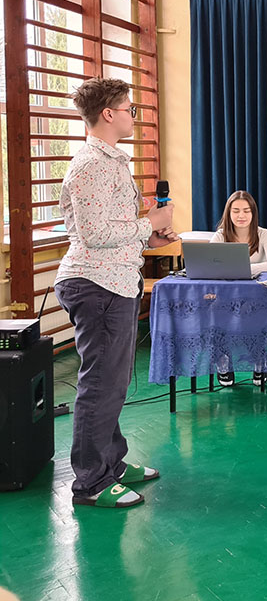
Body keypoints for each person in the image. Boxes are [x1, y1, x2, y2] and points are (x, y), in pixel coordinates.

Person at [54, 78, 177, 509]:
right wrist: (150, 222)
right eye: (130, 109)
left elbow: (112, 230)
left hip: (115, 281)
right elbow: (94, 234)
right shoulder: (91, 164)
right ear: (108, 113)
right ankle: (90, 483)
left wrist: (149, 238)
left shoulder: (112, 162)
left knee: (114, 382)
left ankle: (112, 463)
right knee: (101, 385)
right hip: (96, 285)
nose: (134, 116)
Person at [210, 190, 267, 386]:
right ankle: (224, 363)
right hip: (226, 296)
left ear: (253, 213)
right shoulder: (220, 236)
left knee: (252, 312)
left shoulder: (264, 234)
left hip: (257, 294)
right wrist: (251, 268)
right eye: (236, 211)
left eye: (246, 211)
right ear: (228, 213)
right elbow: (210, 265)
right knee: (214, 311)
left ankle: (259, 362)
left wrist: (239, 268)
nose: (241, 215)